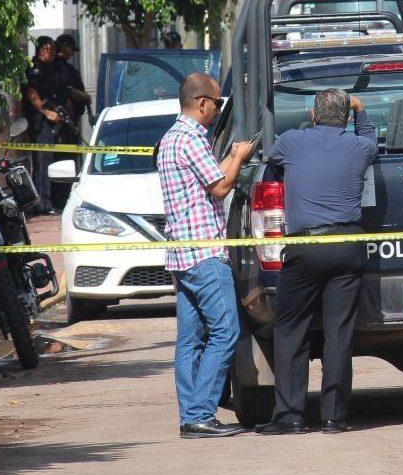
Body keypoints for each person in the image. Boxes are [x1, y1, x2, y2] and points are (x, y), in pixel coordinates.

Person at [256, 88, 377, 435]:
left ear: (312, 115)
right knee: (339, 333)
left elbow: (271, 155)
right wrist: (361, 110)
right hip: (347, 245)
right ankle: (334, 418)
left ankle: (290, 416)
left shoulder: (292, 142)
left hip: (306, 247)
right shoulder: (359, 147)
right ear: (346, 117)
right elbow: (371, 140)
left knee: (290, 329)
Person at [157, 73, 254, 439]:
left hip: (182, 254)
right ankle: (200, 413)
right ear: (202, 103)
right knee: (226, 330)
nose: (217, 109)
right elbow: (220, 187)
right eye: (217, 103)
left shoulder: (172, 137)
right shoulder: (193, 138)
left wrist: (230, 157)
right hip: (204, 253)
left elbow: (210, 180)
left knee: (190, 340)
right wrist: (239, 156)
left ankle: (191, 416)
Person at [22, 36, 69, 216]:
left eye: (52, 50)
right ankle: (41, 203)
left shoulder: (52, 69)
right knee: (43, 162)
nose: (49, 53)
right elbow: (32, 93)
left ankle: (50, 200)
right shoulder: (35, 69)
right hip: (40, 122)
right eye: (46, 49)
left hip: (53, 121)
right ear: (40, 50)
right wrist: (46, 112)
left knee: (50, 161)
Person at [51, 33, 90, 209]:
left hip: (66, 123)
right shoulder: (61, 69)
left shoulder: (61, 68)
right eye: (70, 49)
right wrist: (84, 97)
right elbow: (68, 92)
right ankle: (62, 199)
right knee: (66, 162)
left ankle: (61, 198)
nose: (72, 52)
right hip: (64, 125)